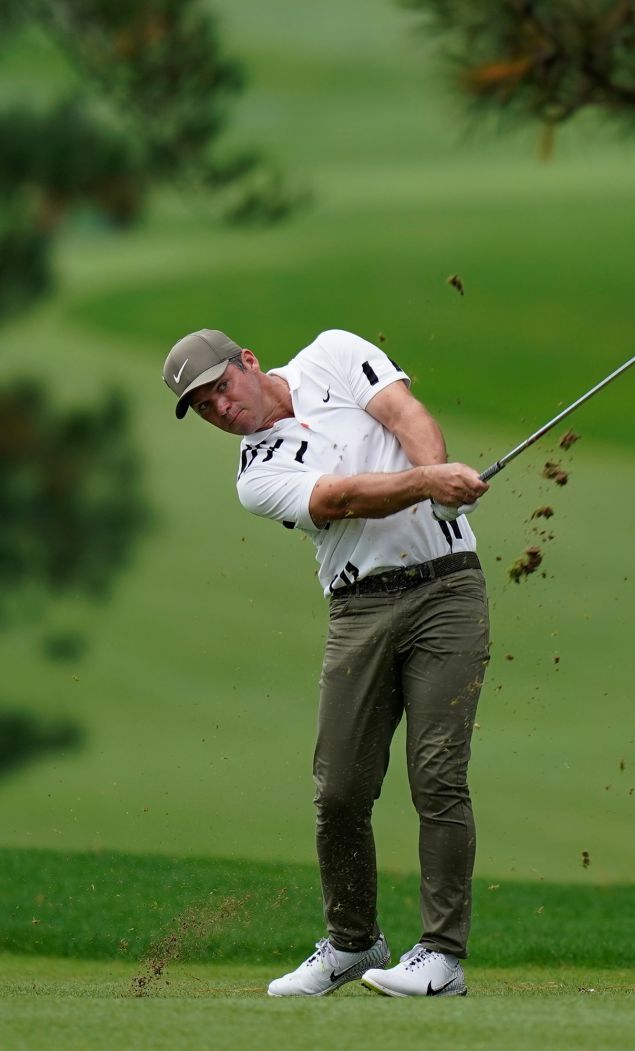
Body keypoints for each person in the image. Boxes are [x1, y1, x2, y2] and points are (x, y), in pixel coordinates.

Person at [163, 327, 491, 997]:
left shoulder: (332, 355)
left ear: (248, 363)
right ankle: (353, 942)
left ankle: (442, 955)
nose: (220, 409)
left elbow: (404, 413)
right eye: (203, 407)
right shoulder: (256, 475)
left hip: (448, 590)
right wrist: (428, 480)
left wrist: (437, 484)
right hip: (359, 609)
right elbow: (339, 498)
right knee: (339, 789)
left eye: (220, 388)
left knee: (437, 776)